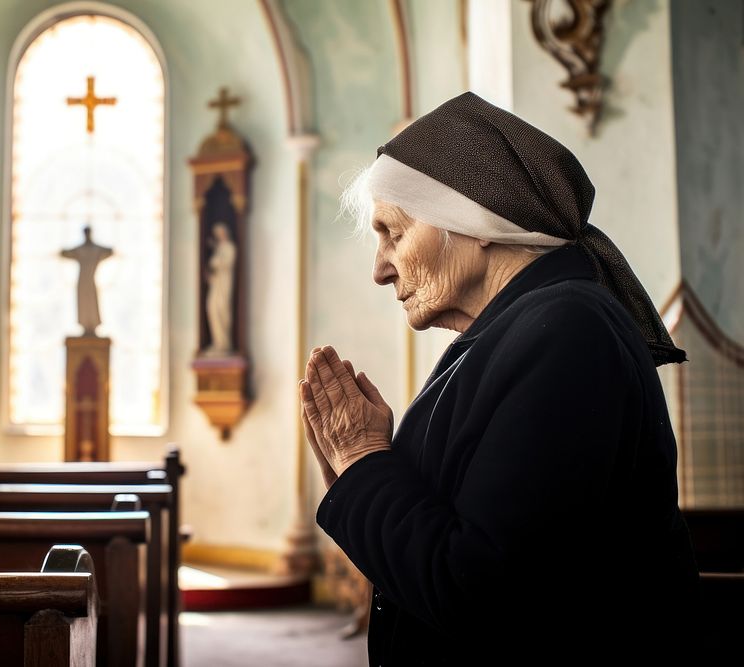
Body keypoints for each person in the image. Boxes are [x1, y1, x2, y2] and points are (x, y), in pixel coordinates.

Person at [299, 92, 700, 665]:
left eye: (393, 233)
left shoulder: (567, 333)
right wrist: (355, 471)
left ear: (475, 220)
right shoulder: (527, 328)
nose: (380, 270)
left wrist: (363, 461)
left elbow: (481, 592)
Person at [61, 226, 114, 337]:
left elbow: (109, 251)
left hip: (91, 281)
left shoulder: (96, 249)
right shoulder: (80, 249)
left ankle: (93, 326)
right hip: (82, 281)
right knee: (83, 303)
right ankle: (85, 326)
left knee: (92, 302)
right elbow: (65, 253)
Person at [205, 221, 237, 355]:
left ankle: (224, 344)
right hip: (217, 285)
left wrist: (216, 261)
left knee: (221, 309)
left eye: (219, 234)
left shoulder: (229, 247)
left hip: (225, 284)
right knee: (212, 308)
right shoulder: (219, 249)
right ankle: (218, 343)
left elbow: (225, 263)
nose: (218, 237)